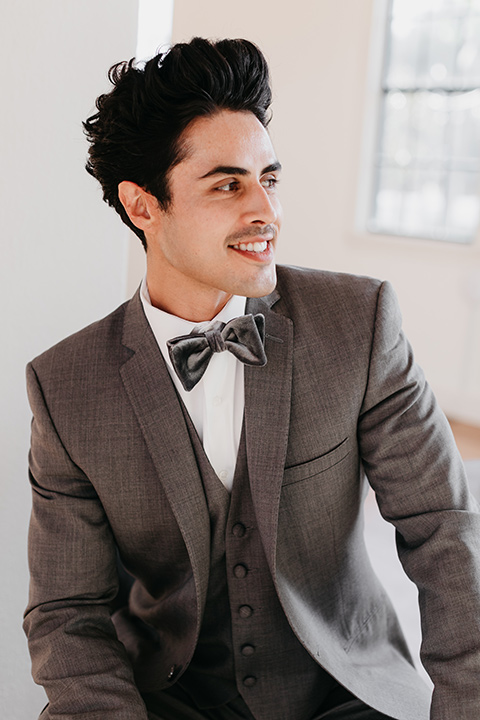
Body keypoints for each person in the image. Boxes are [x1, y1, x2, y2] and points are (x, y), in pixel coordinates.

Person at [24, 37, 480, 720]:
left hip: (348, 694)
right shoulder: (66, 388)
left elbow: (446, 534)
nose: (266, 209)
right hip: (169, 702)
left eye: (269, 177)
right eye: (228, 184)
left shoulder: (359, 323)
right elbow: (69, 615)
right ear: (143, 205)